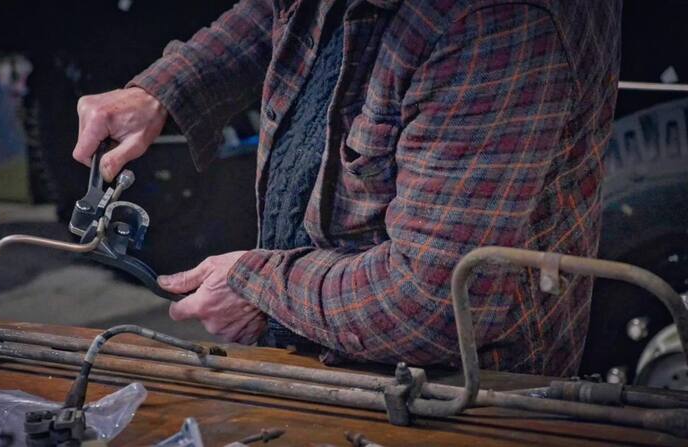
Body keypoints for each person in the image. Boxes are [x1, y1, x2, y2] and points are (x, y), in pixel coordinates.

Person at [72, 0, 622, 376]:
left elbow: (431, 303)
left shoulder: (494, 24)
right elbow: (279, 12)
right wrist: (165, 90)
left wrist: (256, 282)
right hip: (318, 346)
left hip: (450, 396)